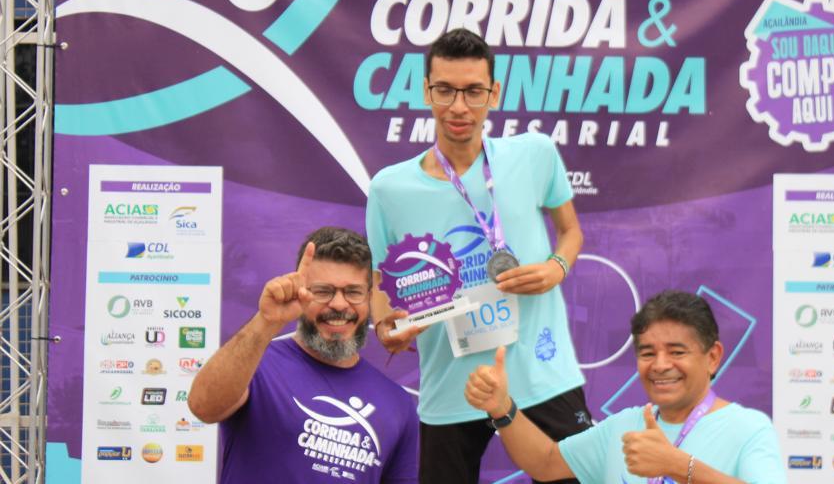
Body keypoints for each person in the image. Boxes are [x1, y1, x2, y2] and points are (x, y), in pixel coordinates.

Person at [366, 28, 590, 484]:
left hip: (542, 375)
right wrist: (386, 326)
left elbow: (570, 232)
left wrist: (556, 268)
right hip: (452, 387)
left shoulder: (535, 154)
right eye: (445, 90)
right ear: (426, 90)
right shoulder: (389, 188)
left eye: (473, 91)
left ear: (494, 93)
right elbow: (380, 284)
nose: (459, 107)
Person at [465, 290, 785, 484]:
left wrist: (676, 465)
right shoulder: (624, 425)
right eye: (647, 353)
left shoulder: (749, 428)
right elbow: (545, 462)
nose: (660, 365)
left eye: (677, 352)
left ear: (712, 357)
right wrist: (502, 408)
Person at [188, 227, 418, 483]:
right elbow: (203, 407)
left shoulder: (398, 403)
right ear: (301, 292)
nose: (339, 304)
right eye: (323, 291)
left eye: (353, 292)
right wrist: (266, 321)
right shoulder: (255, 364)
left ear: (370, 299)